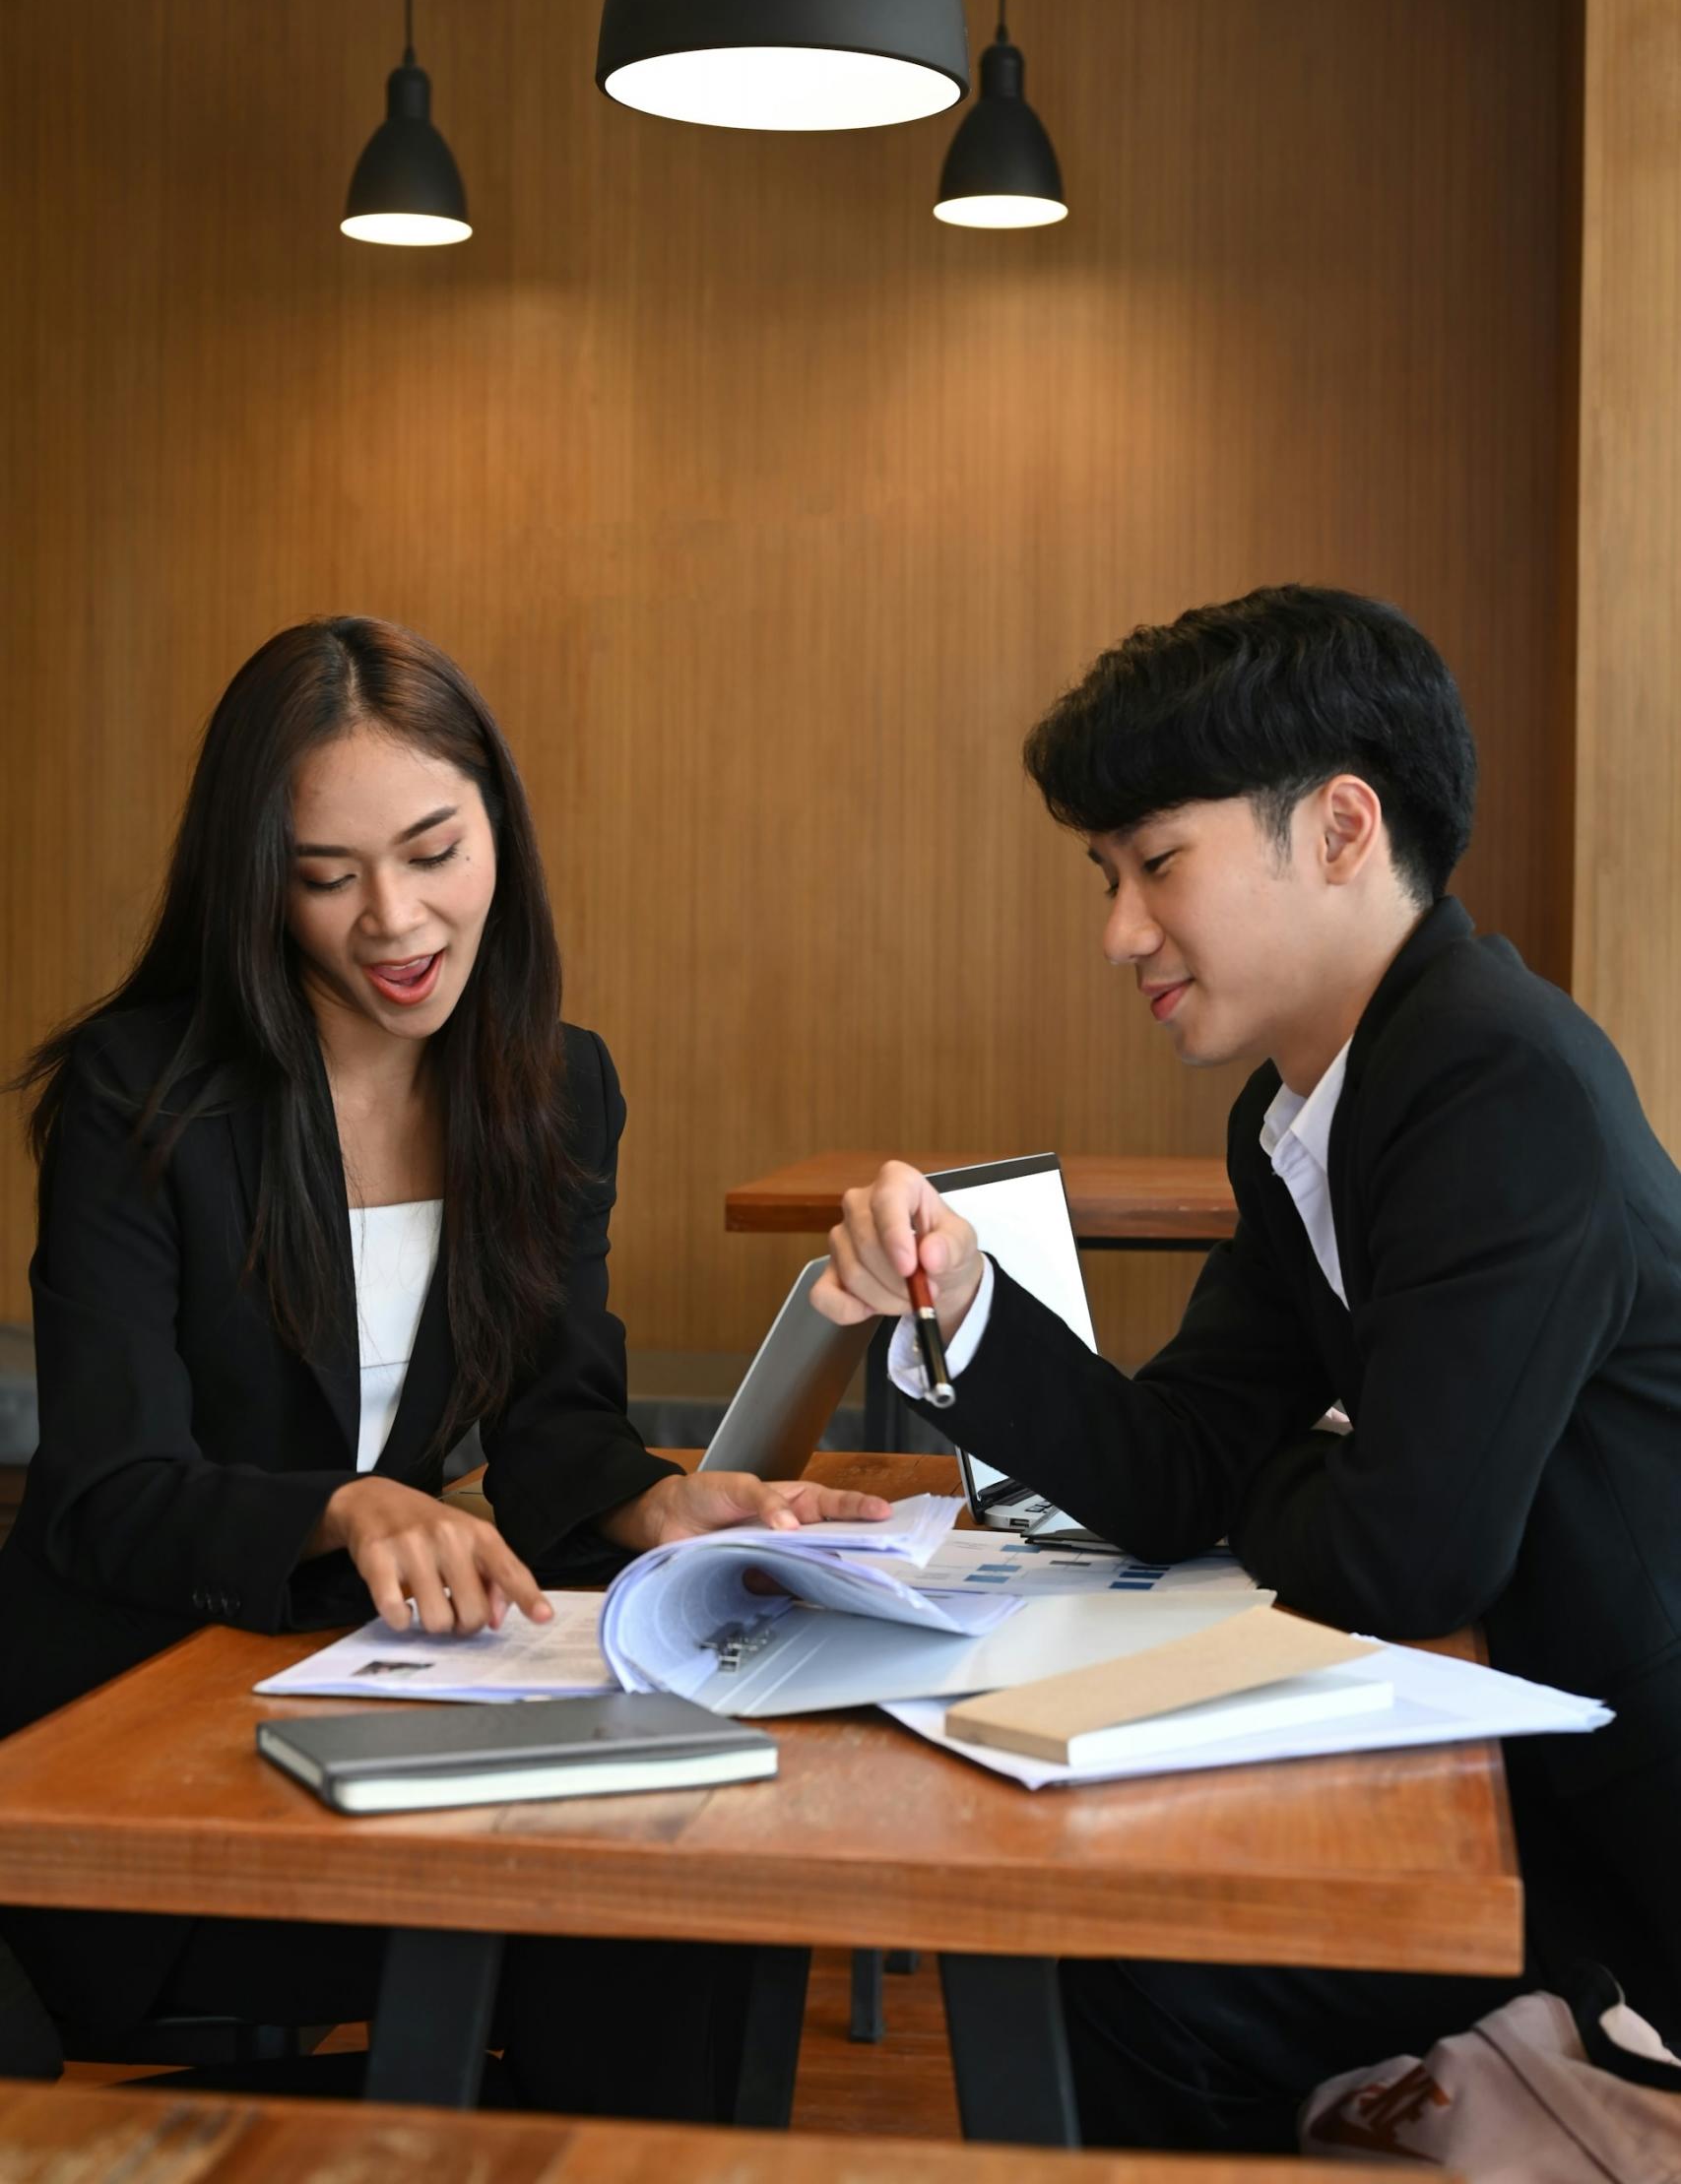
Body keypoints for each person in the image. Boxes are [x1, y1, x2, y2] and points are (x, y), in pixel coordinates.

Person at [814, 585, 1681, 2152]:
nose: (1119, 930)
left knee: (1140, 1981)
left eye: (1158, 864)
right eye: (1106, 874)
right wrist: (964, 1308)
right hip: (1525, 1774)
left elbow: (1409, 1551)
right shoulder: (1310, 1114)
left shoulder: (1498, 1082)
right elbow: (1179, 1469)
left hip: (1631, 1843)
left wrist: (1300, 1479)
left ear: (1342, 827)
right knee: (1113, 1957)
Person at [0, 613, 888, 2110]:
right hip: (137, 1728)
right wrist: (341, 1504)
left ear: (500, 833)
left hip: (381, 1698)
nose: (395, 922)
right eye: (326, 876)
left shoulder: (553, 1085)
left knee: (695, 1916)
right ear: (254, 885)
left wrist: (659, 1508)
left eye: (433, 852)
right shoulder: (144, 1096)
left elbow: (557, 1431)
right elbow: (104, 1490)